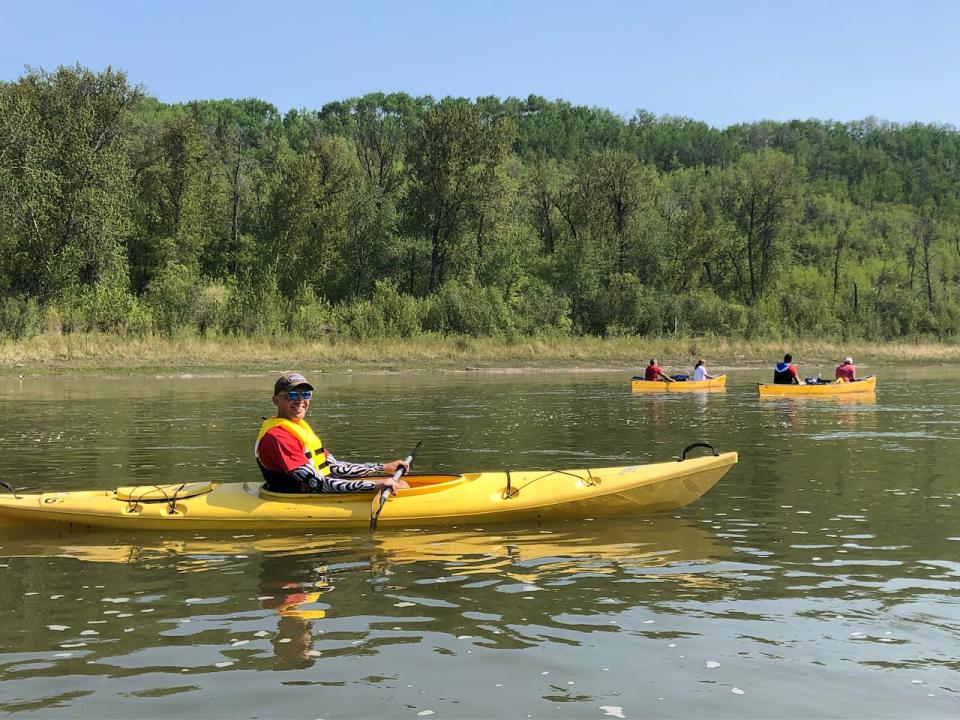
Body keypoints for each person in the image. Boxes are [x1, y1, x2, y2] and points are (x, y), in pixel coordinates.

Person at [255, 371, 410, 494]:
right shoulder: (277, 437)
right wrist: (373, 485)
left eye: (306, 395)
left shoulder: (298, 428)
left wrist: (383, 468)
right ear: (276, 400)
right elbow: (318, 482)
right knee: (402, 487)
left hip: (320, 487)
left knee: (402, 484)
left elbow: (334, 467)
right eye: (293, 395)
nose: (301, 401)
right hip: (301, 497)